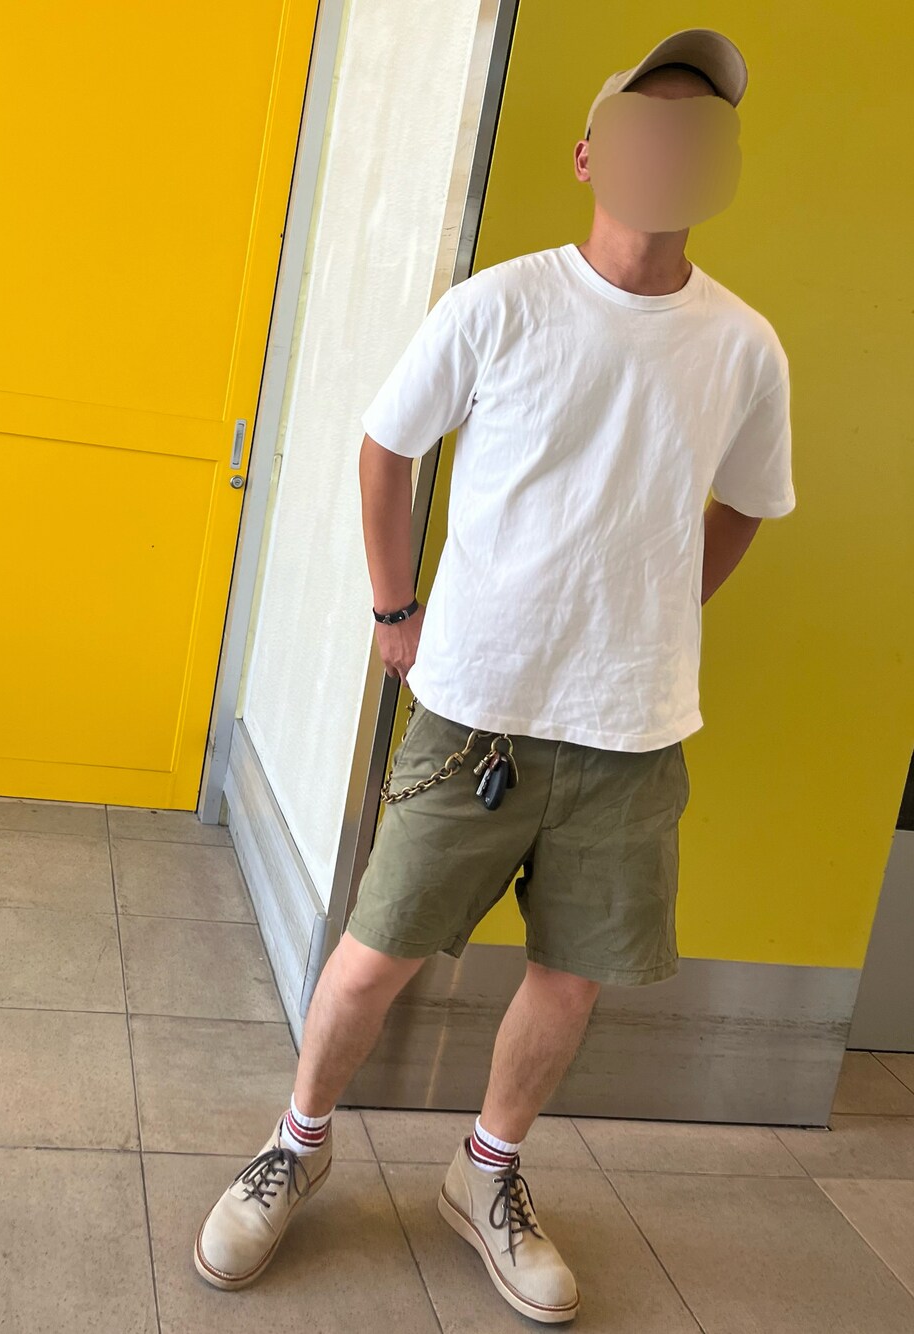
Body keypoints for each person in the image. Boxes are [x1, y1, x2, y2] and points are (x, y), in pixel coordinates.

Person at [194, 26, 796, 1325]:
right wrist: (394, 609)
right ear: (592, 155)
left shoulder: (745, 346)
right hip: (473, 711)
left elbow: (749, 501)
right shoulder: (503, 305)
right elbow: (386, 447)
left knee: (571, 976)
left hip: (632, 731)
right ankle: (297, 1144)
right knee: (373, 957)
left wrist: (661, 605)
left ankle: (486, 1172)